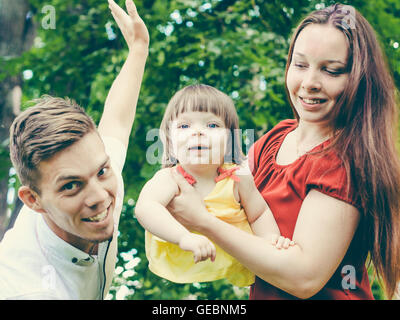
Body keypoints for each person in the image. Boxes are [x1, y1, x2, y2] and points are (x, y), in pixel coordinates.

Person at [167, 3, 400, 300]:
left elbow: (303, 278)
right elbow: (222, 195)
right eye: (300, 65)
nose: (309, 83)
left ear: (358, 79)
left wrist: (203, 221)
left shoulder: (346, 162)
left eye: (331, 70)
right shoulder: (274, 139)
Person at [0, 0, 149, 299]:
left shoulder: (98, 179)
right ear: (33, 200)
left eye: (102, 171)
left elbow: (117, 122)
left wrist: (138, 48)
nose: (99, 197)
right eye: (71, 186)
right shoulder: (26, 288)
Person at [135, 84, 294, 287]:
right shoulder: (170, 178)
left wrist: (271, 240)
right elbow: (145, 208)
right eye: (184, 126)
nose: (198, 132)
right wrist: (184, 237)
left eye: (212, 126)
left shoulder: (238, 177)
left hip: (235, 258)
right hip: (182, 257)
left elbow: (258, 213)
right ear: (169, 140)